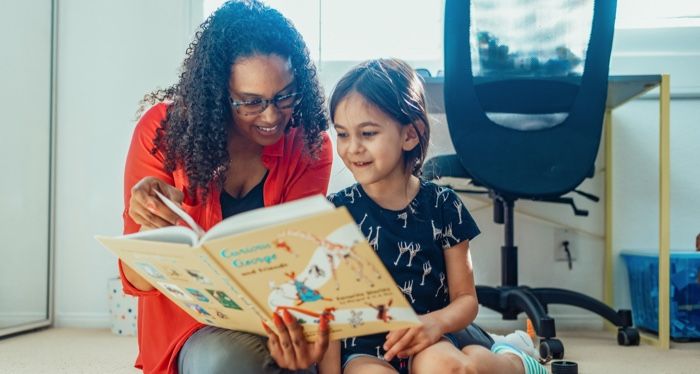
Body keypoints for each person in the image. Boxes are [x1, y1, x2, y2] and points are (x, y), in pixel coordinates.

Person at [120, 1, 333, 373]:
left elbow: (297, 265)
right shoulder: (161, 133)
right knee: (225, 361)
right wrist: (151, 227)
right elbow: (137, 278)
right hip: (191, 329)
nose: (271, 116)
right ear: (219, 94)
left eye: (285, 95)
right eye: (250, 102)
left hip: (276, 319)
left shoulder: (309, 145)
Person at [317, 58, 547, 374]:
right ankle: (487, 350)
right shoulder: (333, 213)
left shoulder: (443, 205)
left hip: (433, 335)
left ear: (410, 135)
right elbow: (325, 310)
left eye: (367, 133)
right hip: (364, 350)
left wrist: (432, 324)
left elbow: (466, 300)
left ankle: (512, 357)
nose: (351, 148)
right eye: (342, 134)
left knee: (455, 369)